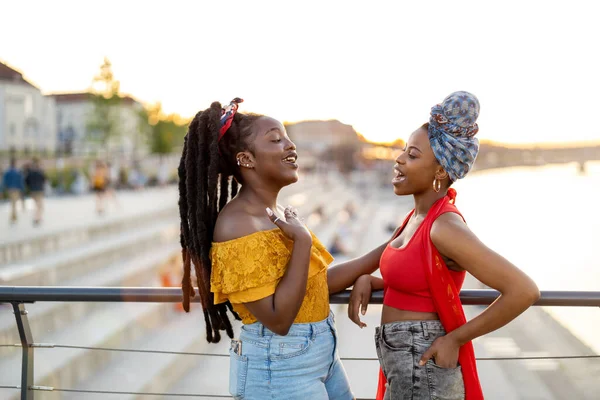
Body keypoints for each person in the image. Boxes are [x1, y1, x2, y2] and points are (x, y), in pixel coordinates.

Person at [327, 92, 540, 400]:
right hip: (403, 366)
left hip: (424, 370)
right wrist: (373, 281)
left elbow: (523, 290)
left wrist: (455, 339)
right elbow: (420, 281)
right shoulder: (416, 218)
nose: (399, 160)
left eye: (413, 156)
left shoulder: (445, 226)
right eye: (403, 151)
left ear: (440, 171)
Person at [177, 98, 353, 400]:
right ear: (246, 159)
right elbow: (279, 319)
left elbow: (312, 285)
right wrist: (303, 241)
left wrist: (386, 257)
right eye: (276, 139)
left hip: (321, 354)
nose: (290, 144)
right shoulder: (237, 225)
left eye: (287, 136)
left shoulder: (278, 212)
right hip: (280, 369)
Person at [24, 158, 47, 226]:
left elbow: (26, 181)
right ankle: (37, 218)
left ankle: (38, 218)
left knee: (36, 205)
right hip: (39, 191)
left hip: (33, 191)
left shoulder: (30, 173)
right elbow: (45, 180)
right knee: (40, 206)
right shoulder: (40, 172)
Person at [2, 158, 25, 224]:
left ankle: (13, 217)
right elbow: (21, 181)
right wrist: (22, 190)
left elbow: (4, 181)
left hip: (10, 189)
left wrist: (2, 190)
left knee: (13, 203)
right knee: (14, 203)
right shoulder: (17, 171)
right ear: (14, 163)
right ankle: (13, 217)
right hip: (16, 189)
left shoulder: (7, 171)